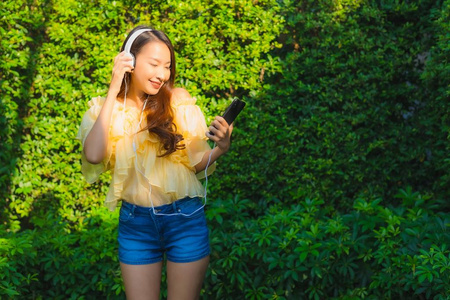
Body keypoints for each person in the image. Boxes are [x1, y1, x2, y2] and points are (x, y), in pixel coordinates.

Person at [76, 25, 233, 300]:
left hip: (184, 219)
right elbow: (93, 155)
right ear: (130, 60)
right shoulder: (107, 109)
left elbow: (195, 164)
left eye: (167, 66)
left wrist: (221, 147)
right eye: (154, 64)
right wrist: (115, 86)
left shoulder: (178, 101)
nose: (162, 74)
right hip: (136, 226)